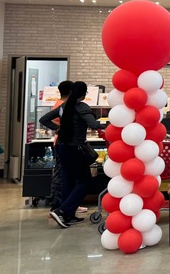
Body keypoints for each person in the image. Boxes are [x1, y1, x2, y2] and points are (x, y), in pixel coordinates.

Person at [39, 81, 99, 228]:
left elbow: (44, 119)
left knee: (68, 181)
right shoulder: (82, 107)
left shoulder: (64, 106)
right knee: (85, 181)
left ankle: (68, 215)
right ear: (84, 94)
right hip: (74, 149)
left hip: (61, 147)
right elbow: (94, 124)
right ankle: (62, 211)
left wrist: (57, 128)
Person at [49, 80, 73, 212]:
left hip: (61, 141)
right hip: (63, 143)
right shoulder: (63, 105)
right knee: (60, 174)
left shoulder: (60, 104)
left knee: (65, 174)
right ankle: (57, 206)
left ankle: (67, 203)